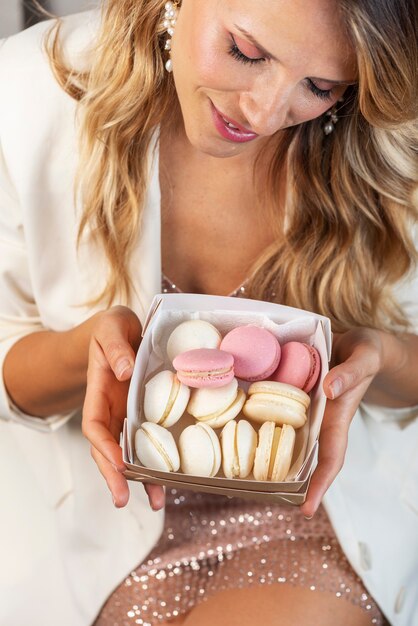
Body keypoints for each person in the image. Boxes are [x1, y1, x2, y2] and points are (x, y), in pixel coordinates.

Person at [0, 0, 417, 625]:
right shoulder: (30, 92)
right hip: (103, 520)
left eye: (321, 86)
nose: (266, 112)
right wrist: (89, 346)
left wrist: (378, 354)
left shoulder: (389, 136)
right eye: (247, 52)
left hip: (308, 515)